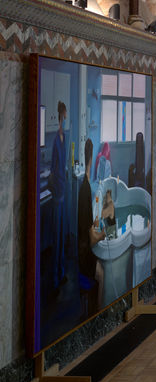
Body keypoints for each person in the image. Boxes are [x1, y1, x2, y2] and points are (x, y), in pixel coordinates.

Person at [77, 138, 104, 316]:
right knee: (103, 274)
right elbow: (92, 238)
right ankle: (99, 316)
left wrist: (94, 224)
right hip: (85, 257)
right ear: (92, 159)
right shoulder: (86, 189)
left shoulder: (84, 186)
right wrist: (103, 234)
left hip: (82, 249)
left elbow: (86, 224)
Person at [50, 100, 68, 292]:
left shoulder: (64, 137)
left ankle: (61, 273)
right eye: (64, 115)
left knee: (61, 235)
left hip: (62, 190)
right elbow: (54, 170)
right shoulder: (56, 139)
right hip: (57, 194)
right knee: (56, 236)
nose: (64, 118)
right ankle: (54, 279)